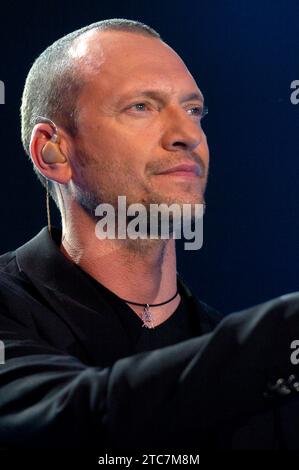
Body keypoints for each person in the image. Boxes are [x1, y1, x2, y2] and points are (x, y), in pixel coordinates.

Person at [0, 18, 299, 451]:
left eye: (194, 110)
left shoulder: (267, 370)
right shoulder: (268, 356)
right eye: (142, 106)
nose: (187, 135)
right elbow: (73, 422)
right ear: (53, 151)